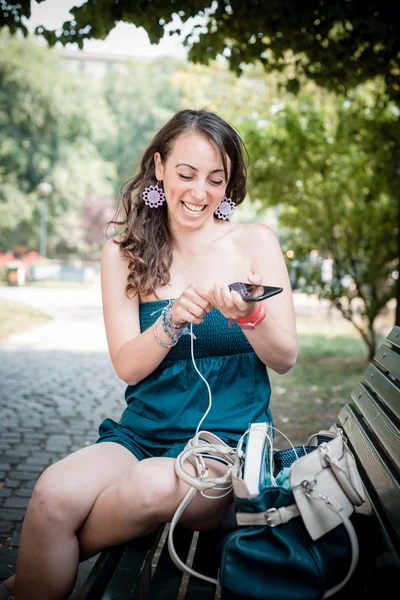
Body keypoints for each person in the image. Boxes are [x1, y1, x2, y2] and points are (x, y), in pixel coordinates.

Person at [1, 109, 298, 599]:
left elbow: (285, 356)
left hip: (222, 448)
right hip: (140, 435)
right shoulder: (124, 251)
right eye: (186, 174)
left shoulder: (254, 243)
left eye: (215, 179)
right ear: (159, 167)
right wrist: (171, 320)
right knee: (53, 494)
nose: (199, 192)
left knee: (149, 485)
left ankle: (44, 562)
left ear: (229, 183)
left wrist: (249, 316)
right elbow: (127, 364)